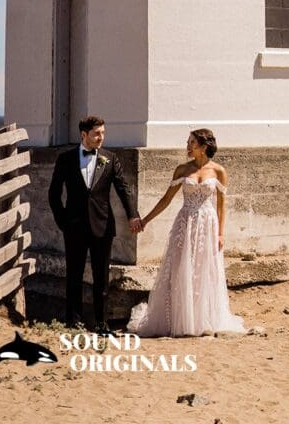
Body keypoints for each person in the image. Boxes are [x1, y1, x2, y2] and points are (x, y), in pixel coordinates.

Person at [127, 128, 246, 337]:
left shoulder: (219, 171)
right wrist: (145, 220)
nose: (188, 146)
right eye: (188, 142)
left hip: (207, 224)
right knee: (181, 268)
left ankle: (203, 319)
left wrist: (220, 234)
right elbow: (166, 199)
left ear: (204, 146)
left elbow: (221, 205)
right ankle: (179, 319)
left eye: (192, 142)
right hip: (185, 222)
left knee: (204, 269)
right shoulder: (182, 170)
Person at [48, 115, 143, 333]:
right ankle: (74, 322)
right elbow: (54, 194)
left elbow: (123, 188)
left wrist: (132, 215)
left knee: (101, 277)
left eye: (103, 133)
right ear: (84, 135)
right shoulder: (65, 159)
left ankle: (102, 323)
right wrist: (63, 221)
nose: (101, 137)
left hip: (103, 225)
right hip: (74, 227)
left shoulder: (110, 158)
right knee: (74, 275)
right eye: (96, 134)